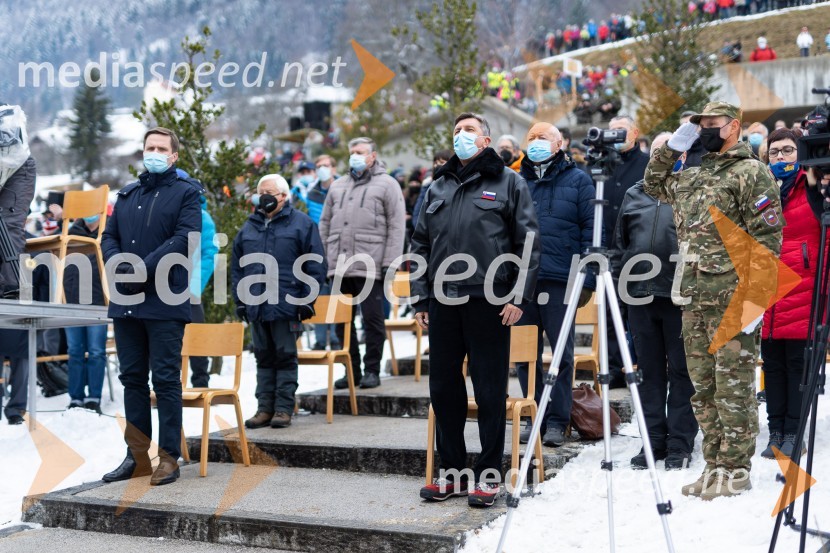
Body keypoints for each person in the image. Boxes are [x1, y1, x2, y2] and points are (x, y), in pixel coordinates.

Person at [644, 102, 783, 499]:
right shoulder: (692, 174)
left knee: (733, 387)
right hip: (693, 296)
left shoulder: (751, 172)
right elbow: (654, 184)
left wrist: (756, 301)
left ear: (733, 126)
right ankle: (713, 464)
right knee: (702, 388)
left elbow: (768, 240)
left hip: (734, 298)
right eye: (699, 125)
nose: (704, 130)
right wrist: (674, 146)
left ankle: (736, 469)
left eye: (712, 125)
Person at [413, 112, 540, 507]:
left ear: (485, 139)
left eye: (468, 131)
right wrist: (421, 297)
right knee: (444, 389)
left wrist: (518, 296)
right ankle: (451, 473)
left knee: (488, 391)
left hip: (490, 301)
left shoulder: (509, 182)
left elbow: (529, 242)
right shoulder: (438, 187)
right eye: (456, 131)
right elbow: (419, 244)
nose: (461, 137)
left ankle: (488, 475)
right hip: (443, 301)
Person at [101, 127, 202, 486]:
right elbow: (108, 237)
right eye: (149, 147)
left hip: (165, 300)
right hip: (127, 300)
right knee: (131, 379)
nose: (154, 152)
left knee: (165, 380)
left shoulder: (187, 194)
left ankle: (169, 457)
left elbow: (185, 239)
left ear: (174, 156)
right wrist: (119, 266)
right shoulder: (127, 196)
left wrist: (142, 269)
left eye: (162, 148)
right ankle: (137, 456)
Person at [612, 132, 698, 470]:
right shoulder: (635, 193)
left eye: (671, 149)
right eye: (658, 149)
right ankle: (652, 441)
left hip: (680, 297)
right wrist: (621, 293)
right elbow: (620, 246)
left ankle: (679, 444)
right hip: (640, 297)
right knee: (647, 374)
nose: (663, 154)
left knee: (681, 372)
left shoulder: (692, 192)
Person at [515, 122, 595, 448]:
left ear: (559, 142)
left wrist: (586, 279)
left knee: (560, 353)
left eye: (543, 137)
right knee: (523, 354)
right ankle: (536, 413)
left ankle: (558, 421)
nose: (536, 142)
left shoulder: (578, 181)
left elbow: (591, 230)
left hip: (561, 278)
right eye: (531, 137)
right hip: (522, 281)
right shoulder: (516, 182)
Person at [233, 174, 326, 429]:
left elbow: (315, 265)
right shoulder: (248, 227)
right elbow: (236, 268)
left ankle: (283, 408)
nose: (263, 196)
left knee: (285, 358)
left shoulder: (302, 224)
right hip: (257, 306)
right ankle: (264, 408)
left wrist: (307, 299)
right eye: (260, 191)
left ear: (284, 196)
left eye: (269, 192)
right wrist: (240, 301)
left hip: (287, 305)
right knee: (263, 358)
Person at [318, 137, 405, 390]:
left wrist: (391, 262)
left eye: (360, 152)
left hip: (371, 265)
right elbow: (324, 224)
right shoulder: (337, 186)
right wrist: (324, 260)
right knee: (341, 322)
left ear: (372, 156)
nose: (355, 156)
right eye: (352, 151)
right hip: (339, 264)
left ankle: (372, 369)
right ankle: (351, 369)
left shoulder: (388, 185)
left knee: (372, 320)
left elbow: (397, 225)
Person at [760, 128, 817, 459]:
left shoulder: (811, 187)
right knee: (773, 365)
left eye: (787, 151)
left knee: (798, 365)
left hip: (804, 287)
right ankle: (776, 431)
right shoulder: (764, 190)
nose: (780, 158)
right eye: (774, 152)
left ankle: (795, 432)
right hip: (769, 288)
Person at [604, 115, 650, 387]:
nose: (615, 136)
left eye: (620, 131)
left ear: (634, 132)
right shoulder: (602, 167)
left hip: (639, 250)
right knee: (611, 312)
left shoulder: (646, 166)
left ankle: (638, 365)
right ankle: (611, 367)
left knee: (638, 315)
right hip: (609, 249)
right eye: (611, 132)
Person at [63, 214, 107, 413]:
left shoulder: (108, 234)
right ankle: (76, 397)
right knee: (74, 351)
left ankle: (94, 396)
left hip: (98, 302)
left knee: (97, 351)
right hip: (71, 302)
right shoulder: (69, 233)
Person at [306, 154, 341, 351]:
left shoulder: (342, 190)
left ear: (333, 168)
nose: (322, 169)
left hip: (337, 249)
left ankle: (335, 336)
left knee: (336, 295)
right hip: (316, 249)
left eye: (325, 165)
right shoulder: (311, 194)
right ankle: (320, 339)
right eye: (318, 166)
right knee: (319, 295)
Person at [187, 178, 218, 388]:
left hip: (189, 288)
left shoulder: (203, 218)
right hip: (162, 287)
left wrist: (194, 286)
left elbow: (210, 255)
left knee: (196, 335)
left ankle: (201, 381)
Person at [412, 150, 452, 231]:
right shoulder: (428, 185)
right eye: (435, 162)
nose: (436, 165)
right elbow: (418, 212)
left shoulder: (457, 184)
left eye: (442, 162)